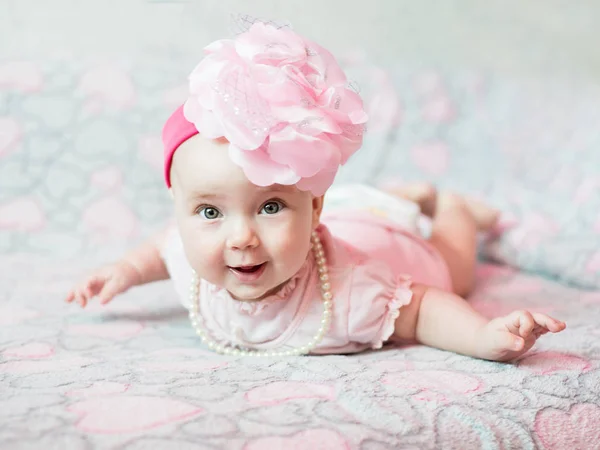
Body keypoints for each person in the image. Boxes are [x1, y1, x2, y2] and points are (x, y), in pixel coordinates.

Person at [66, 21, 565, 360]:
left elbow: (424, 309)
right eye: (210, 213)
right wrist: (126, 271)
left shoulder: (354, 294)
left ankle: (447, 206)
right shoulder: (187, 255)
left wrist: (481, 335)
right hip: (350, 210)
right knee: (369, 201)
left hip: (390, 242)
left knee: (454, 268)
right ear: (179, 207)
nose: (241, 237)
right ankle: (397, 194)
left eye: (270, 206)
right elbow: (160, 248)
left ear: (313, 205)